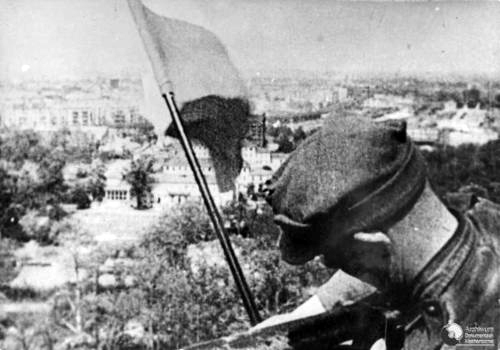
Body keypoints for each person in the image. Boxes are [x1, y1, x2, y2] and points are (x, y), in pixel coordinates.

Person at [261, 116, 500, 349]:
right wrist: (306, 316)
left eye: (339, 260)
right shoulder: (476, 219)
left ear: (372, 244)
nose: (332, 265)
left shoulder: (474, 335)